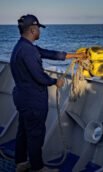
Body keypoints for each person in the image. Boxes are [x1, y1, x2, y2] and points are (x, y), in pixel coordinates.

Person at [10, 14, 85, 172]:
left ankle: (21, 163)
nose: (39, 31)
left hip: (22, 97)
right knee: (36, 134)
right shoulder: (28, 51)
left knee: (24, 131)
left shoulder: (23, 46)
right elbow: (39, 75)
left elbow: (48, 53)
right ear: (32, 29)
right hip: (32, 100)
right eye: (38, 28)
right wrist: (54, 82)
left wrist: (73, 55)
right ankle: (38, 168)